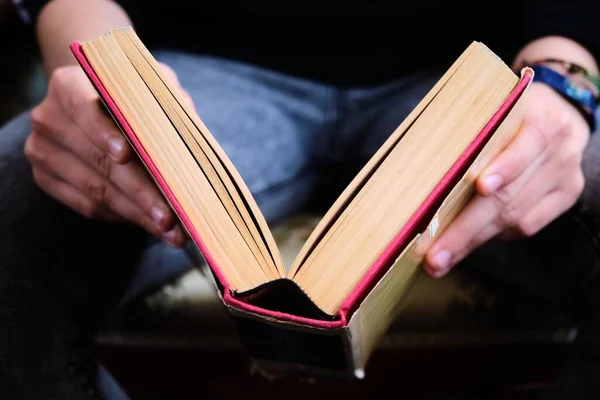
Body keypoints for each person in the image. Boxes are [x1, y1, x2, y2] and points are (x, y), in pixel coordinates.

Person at [2, 0, 600, 398]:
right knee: (15, 186)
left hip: (462, 83)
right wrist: (100, 72)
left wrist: (563, 81)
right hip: (195, 72)